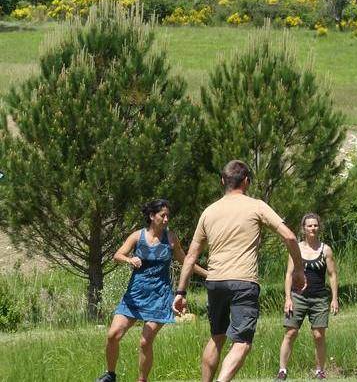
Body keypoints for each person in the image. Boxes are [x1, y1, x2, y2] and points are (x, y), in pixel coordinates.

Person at [173, 160, 307, 382]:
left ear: (222, 181)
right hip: (243, 282)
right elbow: (290, 236)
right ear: (246, 181)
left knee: (216, 337)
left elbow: (190, 257)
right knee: (242, 343)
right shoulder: (256, 206)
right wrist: (299, 270)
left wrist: (181, 292)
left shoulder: (209, 211)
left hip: (215, 282)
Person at [96, 199, 207, 382]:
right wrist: (129, 260)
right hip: (135, 296)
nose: (166, 219)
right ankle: (110, 375)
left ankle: (142, 380)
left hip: (159, 297)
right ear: (151, 216)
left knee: (145, 341)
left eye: (168, 216)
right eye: (162, 215)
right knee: (113, 335)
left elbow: (186, 261)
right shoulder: (137, 236)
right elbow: (118, 255)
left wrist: (208, 274)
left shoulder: (171, 238)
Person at [277, 213, 340, 380]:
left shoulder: (325, 250)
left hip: (319, 298)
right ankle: (282, 371)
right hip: (298, 297)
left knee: (319, 335)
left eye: (315, 225)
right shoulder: (295, 248)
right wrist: (288, 298)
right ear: (303, 228)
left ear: (319, 227)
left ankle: (320, 371)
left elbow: (332, 274)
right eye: (309, 225)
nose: (312, 228)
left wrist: (334, 298)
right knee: (290, 333)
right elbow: (289, 274)